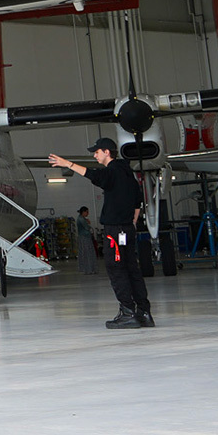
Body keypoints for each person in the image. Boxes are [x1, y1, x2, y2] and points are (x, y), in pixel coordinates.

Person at [49, 138, 152, 328]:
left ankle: (127, 312)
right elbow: (138, 200)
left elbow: (94, 176)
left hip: (115, 230)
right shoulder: (127, 172)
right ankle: (144, 312)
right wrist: (132, 222)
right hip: (127, 229)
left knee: (116, 269)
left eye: (96, 152)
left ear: (107, 152)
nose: (94, 155)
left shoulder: (112, 171)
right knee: (132, 269)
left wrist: (68, 164)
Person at [74, 207, 98, 275]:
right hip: (84, 238)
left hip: (86, 237)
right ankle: (88, 269)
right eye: (87, 212)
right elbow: (87, 227)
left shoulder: (82, 218)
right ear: (83, 212)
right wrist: (88, 223)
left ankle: (90, 268)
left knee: (88, 253)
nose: (88, 213)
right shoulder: (81, 219)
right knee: (87, 253)